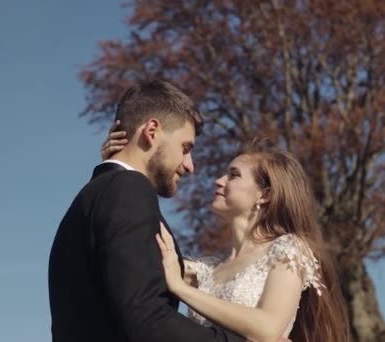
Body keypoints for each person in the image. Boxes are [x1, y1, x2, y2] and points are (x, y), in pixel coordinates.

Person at [48, 80, 248, 342]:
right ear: (152, 131)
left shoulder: (94, 195)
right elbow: (147, 321)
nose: (190, 166)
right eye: (185, 148)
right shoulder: (127, 190)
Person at [101, 138, 350, 341]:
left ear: (264, 195)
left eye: (233, 175)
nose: (219, 181)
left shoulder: (289, 250)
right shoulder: (203, 270)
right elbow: (138, 249)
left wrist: (180, 288)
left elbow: (267, 328)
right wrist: (121, 164)